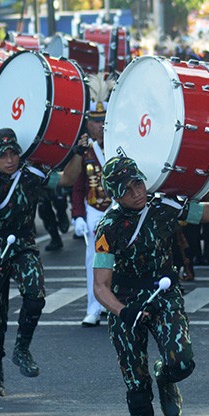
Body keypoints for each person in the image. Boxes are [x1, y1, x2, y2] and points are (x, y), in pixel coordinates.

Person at [92, 154, 209, 416]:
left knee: (182, 362)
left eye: (138, 184)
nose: (137, 193)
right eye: (127, 190)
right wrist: (124, 312)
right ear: (115, 195)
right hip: (126, 303)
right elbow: (101, 286)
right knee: (137, 386)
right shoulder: (108, 228)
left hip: (163, 293)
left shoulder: (165, 206)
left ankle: (166, 377)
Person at [0, 128, 85, 397]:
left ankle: (22, 349)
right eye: (3, 156)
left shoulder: (32, 175)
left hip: (24, 244)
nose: (10, 160)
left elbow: (68, 178)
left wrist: (79, 153)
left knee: (36, 297)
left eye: (13, 154)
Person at [71, 73, 113, 326]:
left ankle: (113, 305)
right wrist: (77, 215)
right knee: (93, 263)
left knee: (117, 262)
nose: (99, 126)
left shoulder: (119, 145)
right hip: (94, 210)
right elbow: (77, 185)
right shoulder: (83, 150)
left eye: (103, 120)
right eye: (95, 121)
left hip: (117, 209)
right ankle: (93, 308)